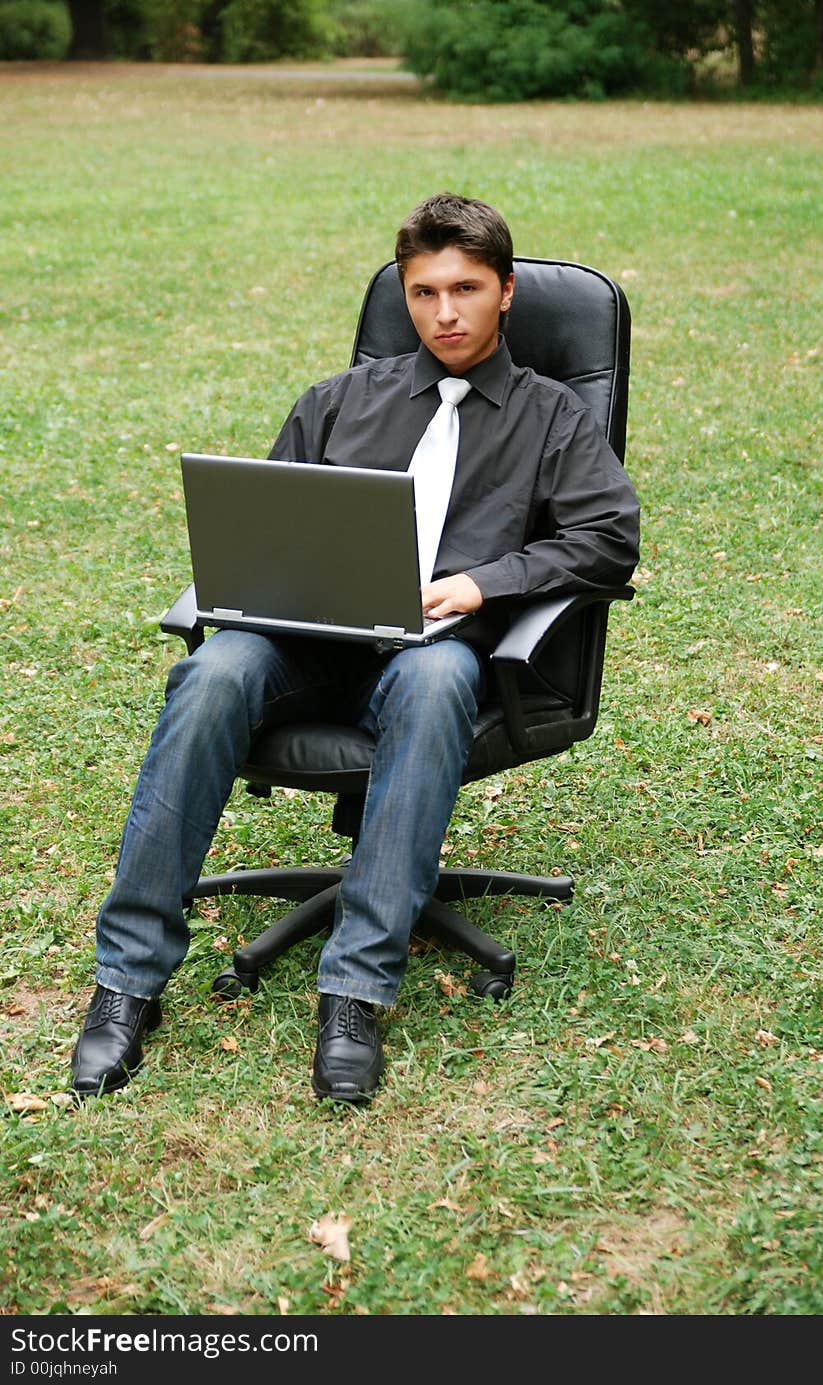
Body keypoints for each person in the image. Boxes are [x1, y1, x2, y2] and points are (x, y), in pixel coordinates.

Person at [70, 192, 640, 1104]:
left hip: (435, 650)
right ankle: (127, 984)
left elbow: (609, 536)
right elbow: (266, 528)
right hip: (312, 640)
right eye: (422, 292)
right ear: (403, 297)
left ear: (507, 292)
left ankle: (353, 992)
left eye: (465, 289)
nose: (443, 314)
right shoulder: (339, 401)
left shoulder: (552, 418)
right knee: (213, 669)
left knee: (434, 677)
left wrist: (482, 581)